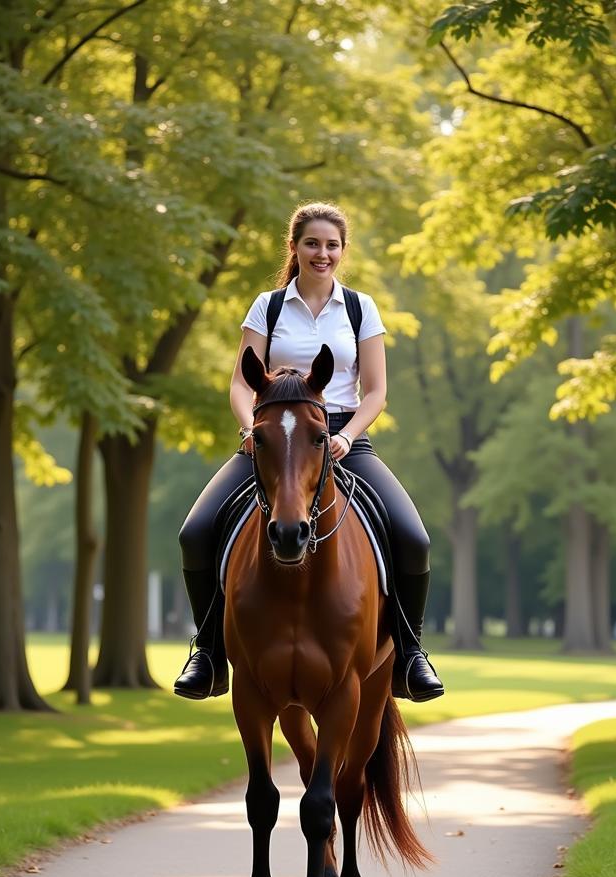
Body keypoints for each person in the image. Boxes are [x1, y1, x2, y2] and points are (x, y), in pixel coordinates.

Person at [174, 201, 443, 704]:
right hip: (272, 435)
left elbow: (377, 391)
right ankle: (208, 653)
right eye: (312, 244)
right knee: (196, 531)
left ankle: (409, 654)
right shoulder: (268, 306)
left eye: (332, 245)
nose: (323, 254)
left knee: (414, 538)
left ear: (343, 251)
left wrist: (346, 435)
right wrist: (248, 428)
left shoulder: (361, 309)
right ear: (294, 248)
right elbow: (239, 382)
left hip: (341, 436)